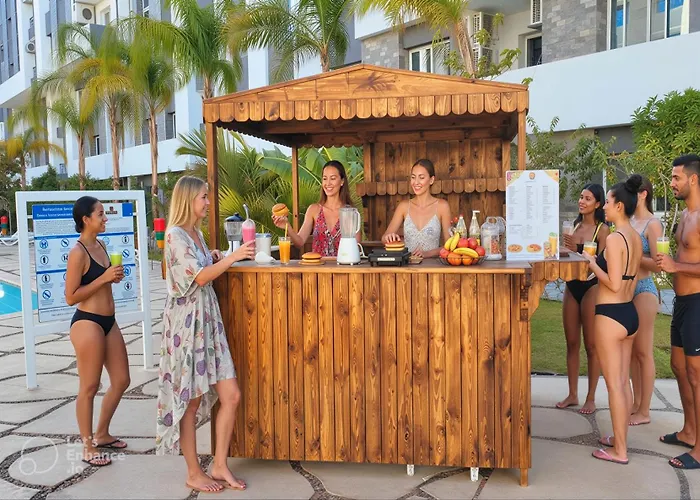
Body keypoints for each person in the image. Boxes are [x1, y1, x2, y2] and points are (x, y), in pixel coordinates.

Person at [156, 176, 255, 493]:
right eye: (203, 197)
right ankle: (193, 472)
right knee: (191, 401)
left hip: (208, 322)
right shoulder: (175, 235)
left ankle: (219, 464)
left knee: (231, 395)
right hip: (187, 326)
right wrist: (232, 257)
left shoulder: (195, 234)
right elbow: (199, 278)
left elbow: (200, 268)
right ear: (189, 200)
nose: (208, 202)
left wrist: (212, 256)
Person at [65, 196, 128, 467]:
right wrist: (104, 278)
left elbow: (103, 282)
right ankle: (88, 446)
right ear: (86, 219)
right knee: (89, 386)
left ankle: (102, 434)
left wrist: (113, 277)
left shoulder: (101, 245)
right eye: (100, 214)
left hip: (108, 321)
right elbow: (71, 297)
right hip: (87, 322)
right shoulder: (78, 253)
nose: (105, 218)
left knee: (122, 380)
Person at [584, 174, 643, 465]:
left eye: (607, 202)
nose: (604, 207)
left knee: (615, 385)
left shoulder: (615, 238)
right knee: (623, 382)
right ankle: (620, 438)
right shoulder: (634, 236)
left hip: (611, 315)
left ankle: (620, 451)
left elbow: (614, 283)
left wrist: (592, 263)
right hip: (629, 314)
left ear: (619, 206)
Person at [656, 154, 700, 470]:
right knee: (678, 367)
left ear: (693, 179)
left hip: (698, 302)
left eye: (676, 178)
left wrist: (676, 266)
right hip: (681, 302)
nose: (672, 183)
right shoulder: (685, 215)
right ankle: (689, 431)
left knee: (696, 374)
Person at [557, 184, 610, 414]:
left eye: (587, 198)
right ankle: (572, 394)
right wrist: (562, 249)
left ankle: (590, 397)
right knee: (571, 343)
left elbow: (604, 262)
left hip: (591, 286)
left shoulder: (603, 230)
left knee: (591, 345)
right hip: (571, 285)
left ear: (597, 204)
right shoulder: (573, 226)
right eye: (580, 197)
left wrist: (578, 249)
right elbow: (566, 256)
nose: (582, 201)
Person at [272, 160, 360, 257]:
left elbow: (355, 247)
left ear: (342, 181)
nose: (328, 183)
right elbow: (299, 242)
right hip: (317, 266)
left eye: (333, 178)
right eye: (325, 178)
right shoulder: (314, 210)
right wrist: (287, 226)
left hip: (343, 265)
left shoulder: (350, 212)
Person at [629, 176, 662, 426]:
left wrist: (635, 256)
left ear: (643, 194)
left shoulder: (653, 224)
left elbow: (659, 265)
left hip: (644, 289)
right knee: (630, 352)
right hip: (626, 291)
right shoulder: (629, 220)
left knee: (643, 352)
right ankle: (636, 403)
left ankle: (645, 410)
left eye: (632, 192)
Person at [381, 159, 452, 257]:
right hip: (407, 264)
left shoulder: (442, 206)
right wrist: (389, 237)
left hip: (433, 265)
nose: (416, 182)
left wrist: (427, 254)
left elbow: (449, 246)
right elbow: (384, 238)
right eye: (413, 177)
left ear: (431, 180)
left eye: (421, 177)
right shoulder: (403, 206)